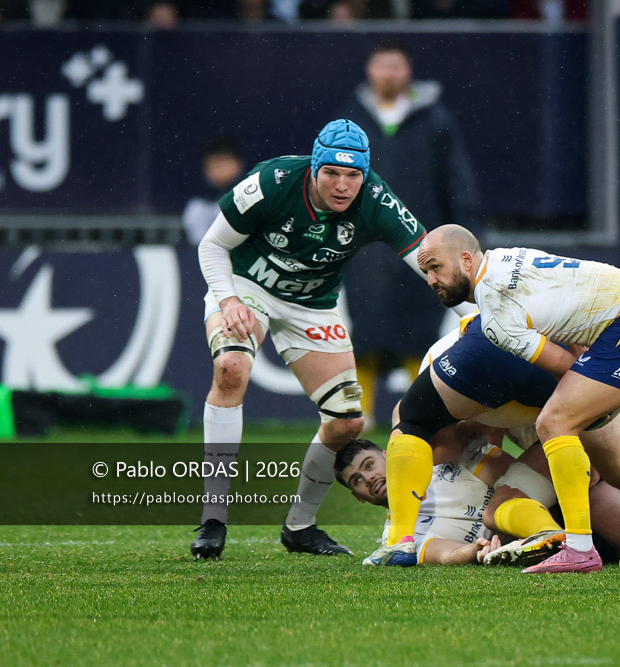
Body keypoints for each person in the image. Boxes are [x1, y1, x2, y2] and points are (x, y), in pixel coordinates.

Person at [392, 224, 620, 574]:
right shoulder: (512, 256)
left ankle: (580, 548)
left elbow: (562, 365)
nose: (431, 280)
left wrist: (597, 401)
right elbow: (569, 314)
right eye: (426, 272)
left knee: (554, 422)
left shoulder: (495, 314)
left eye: (436, 267)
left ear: (466, 259)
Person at [190, 118, 438, 560]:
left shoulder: (376, 199)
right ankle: (213, 517)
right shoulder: (271, 182)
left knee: (347, 423)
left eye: (353, 176)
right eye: (332, 174)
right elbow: (212, 246)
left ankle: (299, 527)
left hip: (312, 305)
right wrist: (228, 301)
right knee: (231, 368)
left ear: (365, 174)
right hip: (247, 287)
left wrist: (476, 312)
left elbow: (430, 261)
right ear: (314, 168)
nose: (343, 186)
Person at [364, 312, 620, 567]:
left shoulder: (441, 401)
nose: (435, 459)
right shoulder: (458, 422)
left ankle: (567, 543)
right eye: (358, 482)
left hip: (582, 410)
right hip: (588, 402)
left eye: (367, 467)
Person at [334, 39, 481, 425]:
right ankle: (357, 415)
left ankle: (418, 413)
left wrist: (466, 233)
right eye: (381, 66)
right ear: (370, 71)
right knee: (363, 329)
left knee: (420, 329)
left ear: (408, 72)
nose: (387, 74)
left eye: (395, 66)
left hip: (422, 239)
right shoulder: (350, 121)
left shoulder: (436, 119)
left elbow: (457, 181)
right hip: (363, 244)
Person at [336, 426, 620, 567]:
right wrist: (471, 552)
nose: (369, 478)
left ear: (389, 454)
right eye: (357, 480)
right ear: (359, 498)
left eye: (369, 465)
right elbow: (443, 554)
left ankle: (555, 535)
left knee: (497, 507)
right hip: (529, 534)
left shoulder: (443, 463)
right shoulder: (397, 539)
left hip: (560, 497)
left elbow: (509, 470)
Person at [182, 136, 245, 245]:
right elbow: (197, 245)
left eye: (223, 161)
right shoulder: (198, 205)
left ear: (237, 164)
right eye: (213, 163)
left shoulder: (251, 195)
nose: (218, 167)